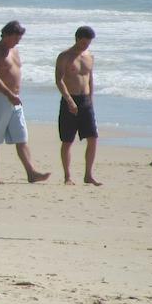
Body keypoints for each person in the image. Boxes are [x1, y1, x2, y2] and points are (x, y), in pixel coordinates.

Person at [0, 20, 50, 184]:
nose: (18, 41)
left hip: (15, 100)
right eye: (16, 38)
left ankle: (31, 172)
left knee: (21, 137)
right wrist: (8, 94)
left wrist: (14, 95)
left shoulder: (14, 50)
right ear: (6, 35)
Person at [55, 26, 101, 186]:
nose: (85, 46)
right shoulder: (65, 56)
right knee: (68, 141)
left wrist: (91, 99)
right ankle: (67, 176)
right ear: (76, 39)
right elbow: (59, 80)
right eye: (83, 43)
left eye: (88, 43)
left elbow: (90, 79)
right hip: (70, 100)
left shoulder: (89, 56)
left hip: (85, 101)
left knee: (93, 138)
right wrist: (69, 100)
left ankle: (88, 175)